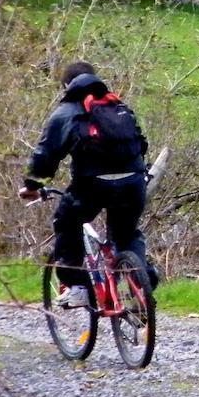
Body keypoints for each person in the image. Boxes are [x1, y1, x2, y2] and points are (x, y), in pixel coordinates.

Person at [19, 61, 152, 308]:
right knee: (127, 234)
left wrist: (33, 185)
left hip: (93, 186)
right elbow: (141, 144)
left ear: (66, 86)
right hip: (133, 182)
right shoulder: (118, 106)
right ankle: (143, 286)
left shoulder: (66, 112)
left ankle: (77, 286)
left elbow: (45, 155)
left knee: (67, 220)